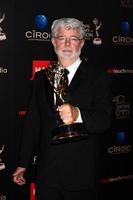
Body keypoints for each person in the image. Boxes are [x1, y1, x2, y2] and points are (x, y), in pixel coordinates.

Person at [13, 17, 112, 200]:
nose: (67, 44)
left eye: (73, 38)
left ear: (81, 43)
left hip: (82, 176)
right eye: (61, 38)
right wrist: (23, 163)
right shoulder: (41, 78)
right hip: (47, 175)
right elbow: (33, 122)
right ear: (53, 41)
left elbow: (105, 120)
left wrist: (78, 114)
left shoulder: (98, 77)